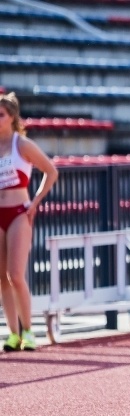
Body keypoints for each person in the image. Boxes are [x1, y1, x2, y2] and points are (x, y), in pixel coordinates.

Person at [0, 92, 58, 351]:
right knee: (2, 277)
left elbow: (51, 171)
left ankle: (28, 330)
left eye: (0, 115)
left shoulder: (21, 144)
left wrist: (35, 203)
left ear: (12, 118)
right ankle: (12, 333)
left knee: (16, 274)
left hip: (18, 214)